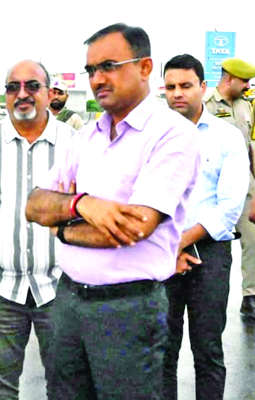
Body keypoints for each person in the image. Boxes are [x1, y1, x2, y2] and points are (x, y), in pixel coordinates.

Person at [25, 23, 200, 399]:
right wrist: (82, 204)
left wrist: (63, 227)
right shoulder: (86, 137)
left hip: (128, 309)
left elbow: (133, 227)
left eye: (108, 66)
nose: (97, 79)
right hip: (68, 300)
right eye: (91, 70)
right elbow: (35, 204)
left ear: (145, 67)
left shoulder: (172, 134)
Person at [0, 59, 75, 399]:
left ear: (49, 93)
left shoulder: (75, 144)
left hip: (60, 287)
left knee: (67, 383)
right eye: (12, 87)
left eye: (32, 86)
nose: (22, 94)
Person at [162, 54, 248, 400]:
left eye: (185, 85)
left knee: (208, 349)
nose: (177, 93)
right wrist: (167, 246)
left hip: (209, 253)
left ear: (203, 86)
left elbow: (229, 207)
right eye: (170, 87)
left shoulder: (227, 137)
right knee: (161, 352)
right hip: (160, 254)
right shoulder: (152, 137)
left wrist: (181, 242)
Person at [203, 58, 255, 322]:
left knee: (253, 239)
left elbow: (251, 147)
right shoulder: (205, 104)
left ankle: (251, 295)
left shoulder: (247, 106)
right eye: (244, 81)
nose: (247, 86)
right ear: (229, 79)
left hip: (245, 183)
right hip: (213, 184)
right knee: (211, 240)